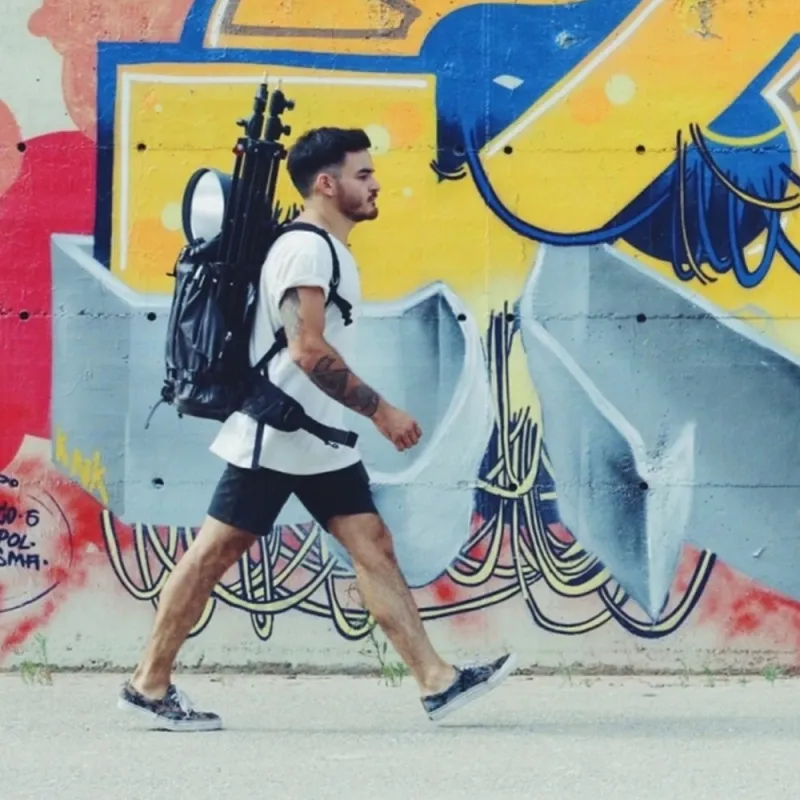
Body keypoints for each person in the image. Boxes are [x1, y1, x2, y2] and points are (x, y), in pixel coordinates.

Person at [117, 126, 517, 731]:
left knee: (372, 545)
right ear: (326, 184)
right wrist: (382, 412)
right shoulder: (306, 251)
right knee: (212, 554)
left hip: (316, 438)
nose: (375, 183)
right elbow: (305, 348)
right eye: (363, 174)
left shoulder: (324, 248)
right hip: (279, 436)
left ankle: (437, 681)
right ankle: (148, 684)